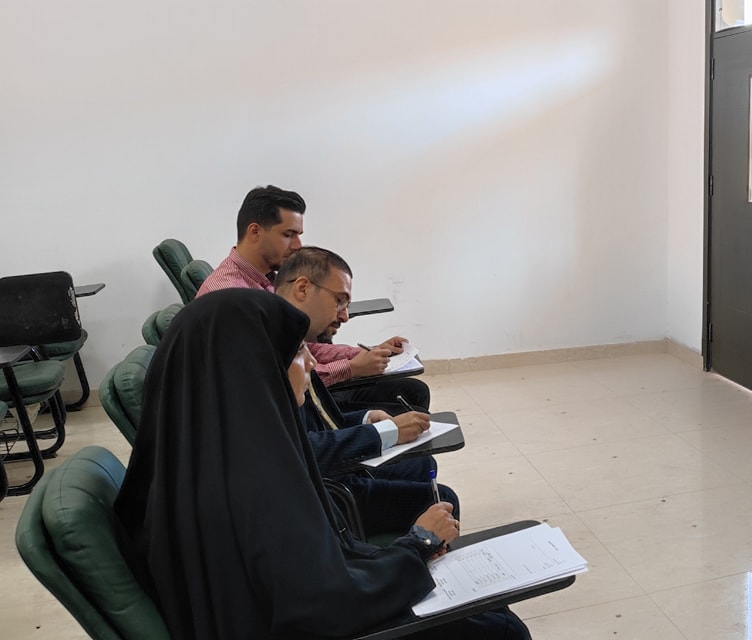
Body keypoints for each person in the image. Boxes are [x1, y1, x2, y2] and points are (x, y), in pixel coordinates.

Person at [115, 288, 529, 639]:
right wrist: (417, 543)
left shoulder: (205, 454)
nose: (312, 364)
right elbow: (326, 605)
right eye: (298, 352)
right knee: (501, 629)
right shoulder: (255, 484)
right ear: (252, 368)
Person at [276, 246, 459, 536]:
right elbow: (302, 449)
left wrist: (366, 418)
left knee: (423, 464)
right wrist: (384, 433)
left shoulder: (290, 337)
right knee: (444, 500)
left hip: (328, 470)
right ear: (302, 287)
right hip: (325, 492)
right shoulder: (276, 351)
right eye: (339, 301)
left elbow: (314, 425)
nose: (345, 316)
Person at [198, 184, 428, 413]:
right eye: (288, 235)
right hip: (289, 406)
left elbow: (302, 347)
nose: (298, 246)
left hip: (306, 390)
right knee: (408, 404)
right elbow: (274, 377)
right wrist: (350, 368)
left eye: (299, 235)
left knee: (413, 391)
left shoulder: (267, 280)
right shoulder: (232, 298)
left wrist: (365, 354)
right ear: (255, 232)